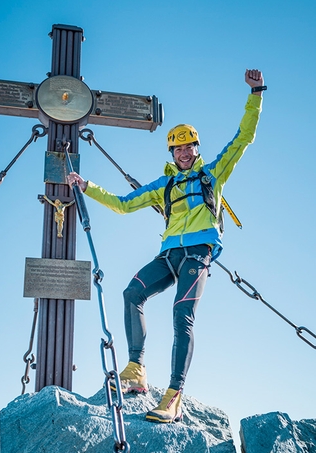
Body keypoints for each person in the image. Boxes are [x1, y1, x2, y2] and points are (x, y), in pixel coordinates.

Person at [67, 69, 264, 423]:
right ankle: (136, 371)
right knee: (131, 293)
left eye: (189, 146)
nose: (185, 152)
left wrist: (256, 94)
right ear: (171, 152)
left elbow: (243, 138)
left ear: (196, 148)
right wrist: (87, 186)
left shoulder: (212, 174)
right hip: (169, 255)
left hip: (198, 254)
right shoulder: (165, 185)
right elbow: (124, 203)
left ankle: (174, 396)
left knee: (181, 315)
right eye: (178, 147)